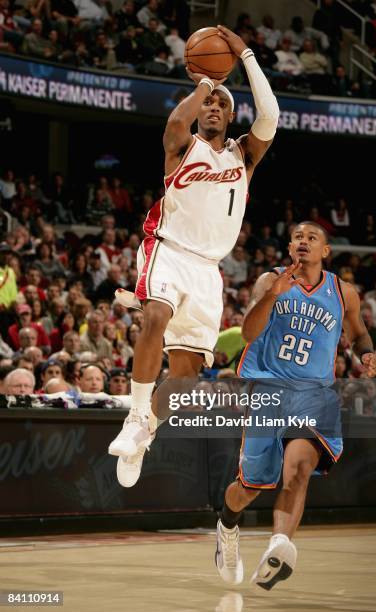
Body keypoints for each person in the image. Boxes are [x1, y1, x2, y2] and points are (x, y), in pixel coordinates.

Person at [109, 25, 280, 488]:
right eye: (208, 102)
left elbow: (271, 115)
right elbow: (172, 124)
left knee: (185, 374)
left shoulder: (243, 156)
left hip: (208, 271)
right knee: (154, 317)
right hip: (168, 249)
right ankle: (136, 414)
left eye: (222, 104)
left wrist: (243, 56)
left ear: (230, 115)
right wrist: (206, 81)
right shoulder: (183, 146)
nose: (213, 107)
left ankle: (145, 431)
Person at [215, 221, 376, 590]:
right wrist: (273, 295)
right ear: (290, 248)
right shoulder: (269, 281)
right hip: (269, 390)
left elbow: (358, 332)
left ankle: (279, 546)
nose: (304, 242)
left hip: (314, 395)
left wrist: (367, 354)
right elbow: (247, 334)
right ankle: (226, 527)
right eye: (298, 237)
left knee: (300, 467)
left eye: (312, 237)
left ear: (325, 251)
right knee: (251, 486)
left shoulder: (342, 291)